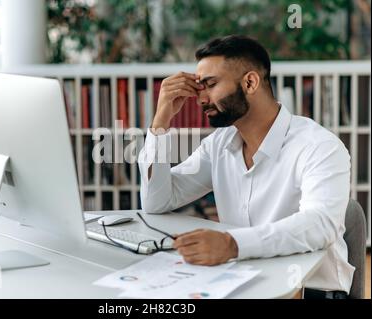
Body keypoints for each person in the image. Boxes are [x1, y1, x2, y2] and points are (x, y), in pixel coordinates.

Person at [138, 35, 354, 299]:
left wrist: (232, 245)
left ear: (250, 82)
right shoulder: (218, 145)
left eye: (210, 85)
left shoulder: (319, 146)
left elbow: (320, 225)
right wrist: (161, 122)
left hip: (310, 290)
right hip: (241, 282)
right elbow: (156, 201)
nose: (201, 99)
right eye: (199, 87)